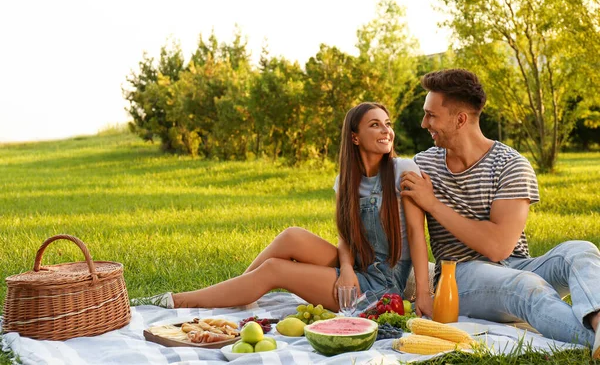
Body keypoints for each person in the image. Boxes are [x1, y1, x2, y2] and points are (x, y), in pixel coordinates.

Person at [138, 102, 433, 317]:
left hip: (381, 286)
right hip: (355, 267)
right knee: (291, 235)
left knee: (275, 270)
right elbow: (347, 238)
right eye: (375, 124)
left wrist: (423, 295)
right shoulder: (345, 181)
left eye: (387, 123)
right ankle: (240, 291)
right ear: (354, 137)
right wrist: (344, 270)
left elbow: (418, 238)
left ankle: (181, 301)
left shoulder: (403, 170)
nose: (386, 130)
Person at [400, 68, 600, 358]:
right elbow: (414, 232)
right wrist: (422, 292)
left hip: (516, 264)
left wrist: (433, 204)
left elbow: (498, 247)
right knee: (526, 287)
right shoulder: (422, 166)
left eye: (431, 115)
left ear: (460, 119)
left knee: (581, 250)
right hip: (459, 276)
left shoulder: (511, 165)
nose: (423, 123)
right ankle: (591, 340)